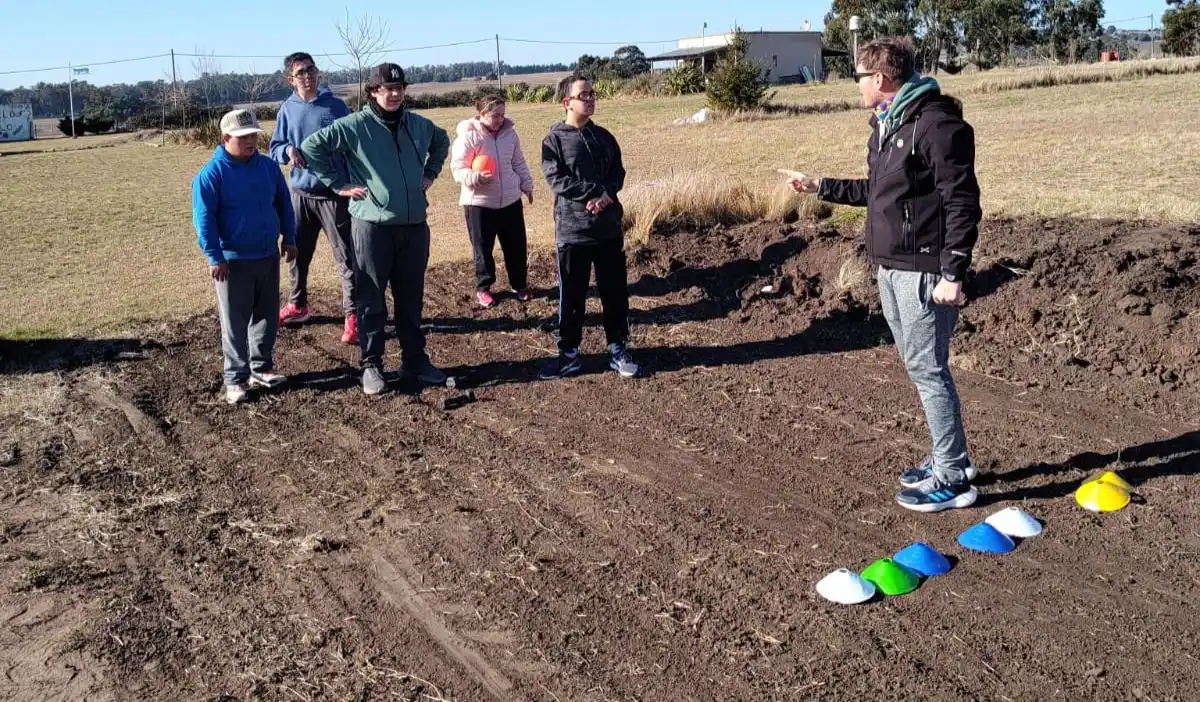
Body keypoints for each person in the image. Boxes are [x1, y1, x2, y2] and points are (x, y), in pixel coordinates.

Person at [785, 37, 982, 513]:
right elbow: (878, 192)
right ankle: (946, 457)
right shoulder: (888, 126)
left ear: (880, 79)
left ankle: (953, 476)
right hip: (890, 266)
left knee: (928, 370)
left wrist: (953, 271)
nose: (854, 86)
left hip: (923, 271)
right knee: (920, 367)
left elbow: (963, 201)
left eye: (858, 77)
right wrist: (819, 186)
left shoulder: (935, 124)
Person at [301, 63, 450, 396]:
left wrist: (431, 172)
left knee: (410, 299)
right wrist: (339, 184)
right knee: (371, 299)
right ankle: (371, 365)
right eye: (387, 89)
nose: (395, 94)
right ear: (372, 92)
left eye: (399, 88)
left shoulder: (418, 125)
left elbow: (441, 141)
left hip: (413, 227)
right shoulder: (355, 126)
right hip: (372, 227)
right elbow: (312, 147)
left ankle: (415, 360)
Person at [192, 109, 298, 404]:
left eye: (253, 135)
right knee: (235, 321)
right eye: (243, 137)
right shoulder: (211, 175)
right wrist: (215, 256)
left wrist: (289, 238)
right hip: (233, 261)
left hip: (266, 255)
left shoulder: (267, 167)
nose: (251, 141)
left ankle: (261, 367)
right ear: (226, 138)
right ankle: (235, 378)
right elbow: (204, 220)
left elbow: (284, 204)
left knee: (266, 316)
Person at [539, 74, 638, 380]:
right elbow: (556, 179)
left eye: (593, 94)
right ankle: (568, 355)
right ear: (566, 102)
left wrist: (606, 195)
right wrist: (591, 195)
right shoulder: (553, 140)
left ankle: (618, 348)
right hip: (573, 233)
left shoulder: (604, 137)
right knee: (572, 296)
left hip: (607, 230)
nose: (591, 99)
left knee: (615, 293)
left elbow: (617, 172)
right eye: (584, 95)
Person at [269, 52, 357, 344]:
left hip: (334, 196)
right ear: (290, 79)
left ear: (318, 72)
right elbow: (275, 147)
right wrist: (288, 151)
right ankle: (298, 304)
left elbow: (352, 143)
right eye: (300, 72)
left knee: (346, 257)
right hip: (300, 195)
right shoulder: (287, 109)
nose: (307, 76)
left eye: (311, 69)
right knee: (296, 254)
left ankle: (353, 315)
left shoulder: (336, 106)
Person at [450, 94, 535, 308]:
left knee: (516, 245)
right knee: (482, 248)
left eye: (502, 115)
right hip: (479, 204)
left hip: (510, 201)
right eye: (495, 115)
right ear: (481, 114)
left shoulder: (511, 135)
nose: (499, 120)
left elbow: (518, 162)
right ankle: (484, 288)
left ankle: (519, 284)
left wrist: (527, 185)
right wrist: (475, 178)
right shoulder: (469, 137)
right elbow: (457, 169)